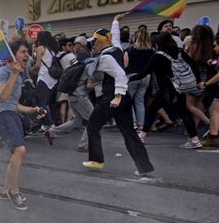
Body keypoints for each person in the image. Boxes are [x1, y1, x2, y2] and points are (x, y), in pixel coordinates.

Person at [82, 28, 155, 176]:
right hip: (123, 98)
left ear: (100, 41)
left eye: (94, 42)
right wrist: (116, 21)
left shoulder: (105, 57)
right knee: (129, 133)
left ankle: (96, 160)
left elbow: (121, 76)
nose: (93, 45)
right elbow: (115, 37)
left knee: (92, 126)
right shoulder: (116, 49)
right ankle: (144, 166)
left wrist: (117, 96)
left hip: (111, 98)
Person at [0, 40, 44, 210]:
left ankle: (5, 189)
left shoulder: (19, 75)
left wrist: (32, 110)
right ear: (13, 55)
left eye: (27, 51)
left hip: (10, 113)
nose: (27, 55)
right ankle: (14, 192)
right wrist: (14, 73)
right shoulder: (3, 72)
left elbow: (14, 104)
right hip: (1, 113)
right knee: (20, 150)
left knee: (16, 154)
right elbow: (4, 96)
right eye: (22, 52)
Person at [131, 33, 203, 149]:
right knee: (180, 112)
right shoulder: (179, 52)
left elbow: (145, 72)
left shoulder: (157, 56)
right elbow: (193, 64)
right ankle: (194, 140)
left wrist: (129, 78)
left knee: (155, 110)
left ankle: (142, 136)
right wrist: (198, 80)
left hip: (166, 89)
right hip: (180, 87)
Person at [124, 29, 154, 130]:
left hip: (132, 76)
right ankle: (141, 124)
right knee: (140, 101)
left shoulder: (130, 50)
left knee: (128, 100)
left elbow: (125, 64)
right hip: (146, 77)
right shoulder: (151, 51)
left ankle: (133, 122)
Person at [186, 25, 214, 128]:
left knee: (189, 105)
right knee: (198, 103)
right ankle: (195, 126)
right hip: (205, 79)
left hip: (193, 78)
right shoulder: (210, 47)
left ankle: (209, 122)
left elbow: (188, 61)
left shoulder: (194, 47)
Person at [33, 31, 59, 130]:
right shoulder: (53, 49)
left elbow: (38, 65)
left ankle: (50, 124)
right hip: (53, 79)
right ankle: (45, 125)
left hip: (43, 77)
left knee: (40, 104)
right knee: (44, 103)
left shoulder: (40, 48)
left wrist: (31, 70)